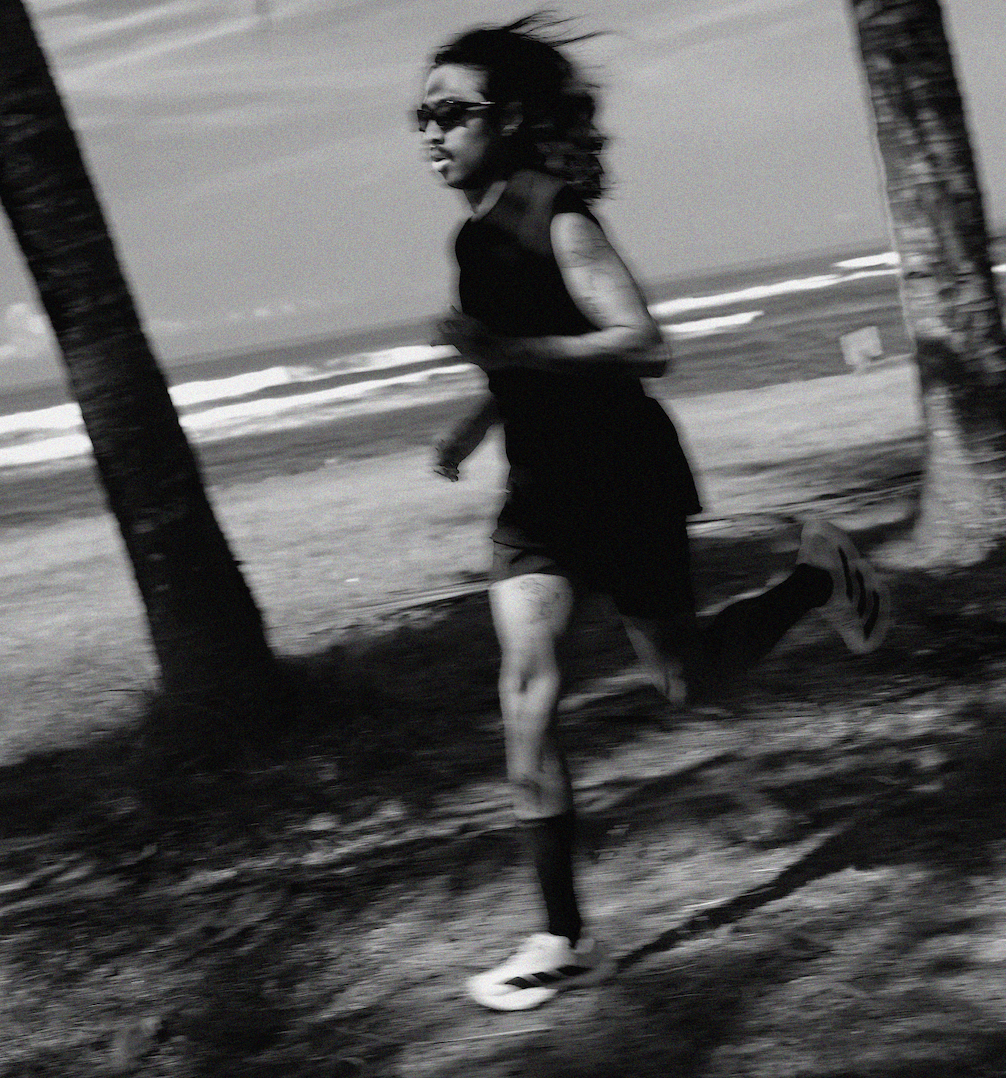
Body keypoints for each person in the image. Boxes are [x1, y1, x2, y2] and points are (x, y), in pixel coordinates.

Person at [418, 14, 890, 1012]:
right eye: (420, 116)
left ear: (508, 119)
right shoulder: (471, 239)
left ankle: (817, 575)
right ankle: (561, 937)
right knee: (525, 689)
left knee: (687, 677)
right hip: (540, 496)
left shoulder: (562, 218)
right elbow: (519, 356)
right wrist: (477, 416)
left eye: (450, 111)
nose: (431, 131)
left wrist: (509, 359)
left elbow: (642, 344)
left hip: (624, 481)